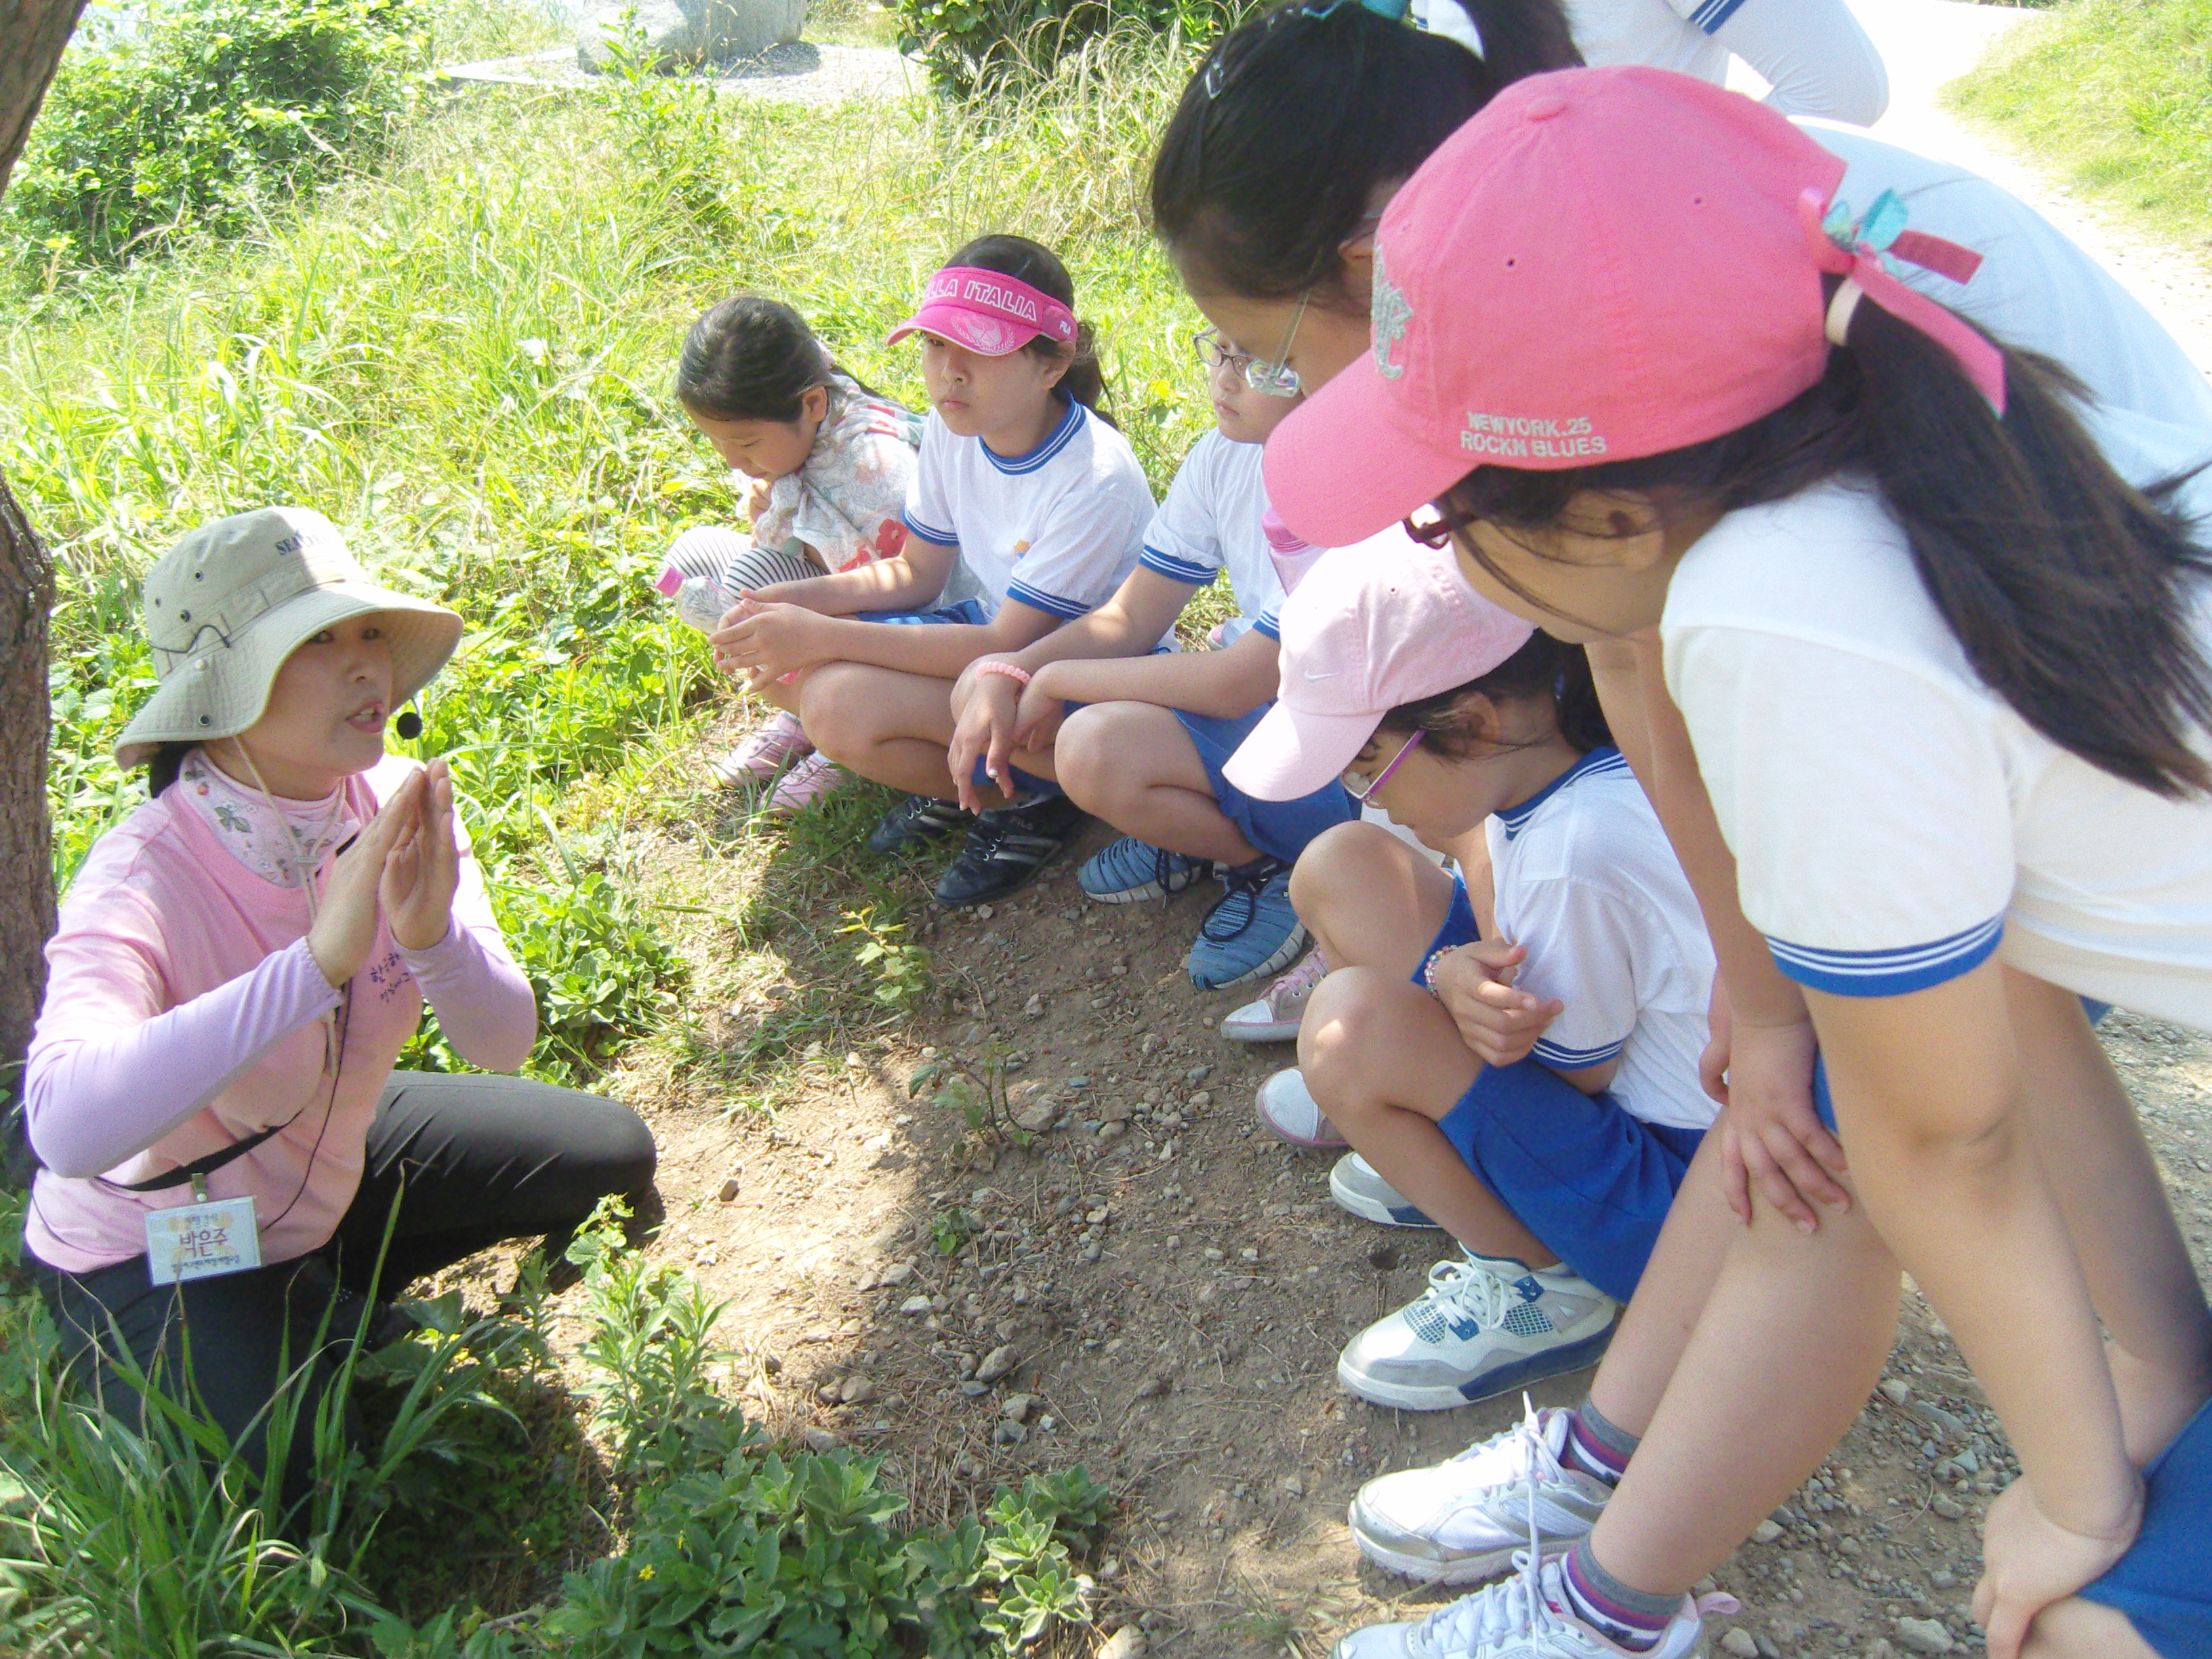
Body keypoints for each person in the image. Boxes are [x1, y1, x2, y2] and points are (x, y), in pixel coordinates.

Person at [1262, 67, 2212, 1659]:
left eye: (1443, 518)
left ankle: (1612, 1599)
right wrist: (2157, 1372)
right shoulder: (1883, 406)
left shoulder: (1777, 612)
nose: (1438, 539)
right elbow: (2020, 1010)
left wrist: (2069, 1493)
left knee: (2081, 1628)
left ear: (1613, 516)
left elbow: (1942, 1135)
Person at [20, 507, 658, 1505]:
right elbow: (64, 1127)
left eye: (369, 632)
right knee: (304, 1474)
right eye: (317, 642)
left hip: (329, 1151)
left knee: (608, 1157)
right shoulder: (145, 872)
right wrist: (315, 965)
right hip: (153, 1240)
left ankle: (312, 1296)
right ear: (224, 690)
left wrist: (430, 935)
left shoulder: (394, 798)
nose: (366, 666)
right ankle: (203, 1340)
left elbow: (504, 1042)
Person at [1229, 543, 1719, 1409]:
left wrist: (1448, 983)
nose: (1366, 793)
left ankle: (1546, 1285)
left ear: (1478, 721)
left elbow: (1574, 1067)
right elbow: (1502, 912)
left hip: (1672, 1208)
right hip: (1650, 1137)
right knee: (1342, 861)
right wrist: (1451, 975)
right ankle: (1453, 1159)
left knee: (1352, 1036)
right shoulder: (1562, 774)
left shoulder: (1578, 853)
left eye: (1368, 761)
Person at [710, 236, 1155, 907]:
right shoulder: (957, 430)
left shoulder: (1093, 477)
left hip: (1086, 683)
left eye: (977, 349)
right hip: (995, 651)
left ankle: (1034, 801)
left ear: (1051, 362)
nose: (949, 371)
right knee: (820, 692)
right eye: (935, 346)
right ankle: (978, 785)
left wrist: (824, 634)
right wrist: (794, 601)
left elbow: (1009, 643)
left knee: (838, 688)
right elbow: (915, 572)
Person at [943, 327, 1356, 987]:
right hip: (1267, 712)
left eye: (1253, 360)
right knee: (988, 691)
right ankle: (1206, 839)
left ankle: (1278, 864)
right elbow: (1132, 615)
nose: (1223, 376)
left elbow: (1234, 684)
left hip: (1345, 756)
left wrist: (1048, 673)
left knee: (1091, 745)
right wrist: (1007, 670)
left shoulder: (1353, 484)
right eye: (1219, 350)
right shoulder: (1226, 456)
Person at [657, 294, 924, 808]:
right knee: (688, 559)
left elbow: (914, 595)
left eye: (747, 443)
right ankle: (804, 710)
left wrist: (784, 535)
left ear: (812, 404)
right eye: (718, 443)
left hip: (903, 639)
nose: (734, 460)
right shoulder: (803, 437)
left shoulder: (877, 470)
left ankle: (839, 727)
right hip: (838, 604)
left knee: (747, 584)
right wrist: (771, 506)